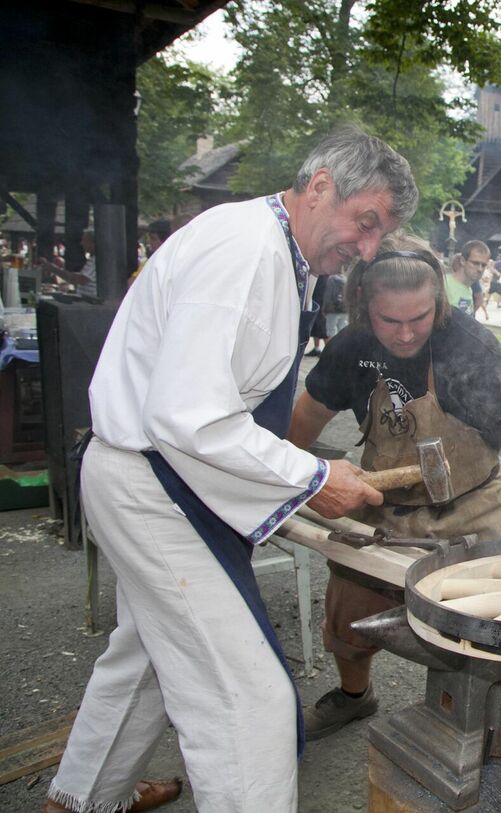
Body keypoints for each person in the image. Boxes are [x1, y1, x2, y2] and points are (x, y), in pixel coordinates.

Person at [44, 127, 412, 813]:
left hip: (160, 478)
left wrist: (305, 473)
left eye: (379, 235)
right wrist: (310, 477)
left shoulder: (276, 249)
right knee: (250, 699)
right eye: (366, 224)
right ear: (322, 183)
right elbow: (187, 413)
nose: (366, 250)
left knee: (150, 652)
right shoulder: (245, 252)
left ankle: (81, 799)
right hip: (153, 485)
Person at [287, 233, 501, 739]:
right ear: (363, 305)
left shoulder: (467, 344)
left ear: (437, 300)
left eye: (419, 317)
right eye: (391, 320)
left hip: (473, 507)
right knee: (348, 615)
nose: (408, 333)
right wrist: (286, 474)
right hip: (384, 510)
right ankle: (355, 697)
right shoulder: (351, 347)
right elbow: (307, 414)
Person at [445, 239, 490, 317]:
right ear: (462, 261)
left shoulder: (468, 289)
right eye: (475, 263)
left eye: (483, 265)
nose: (480, 269)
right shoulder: (444, 284)